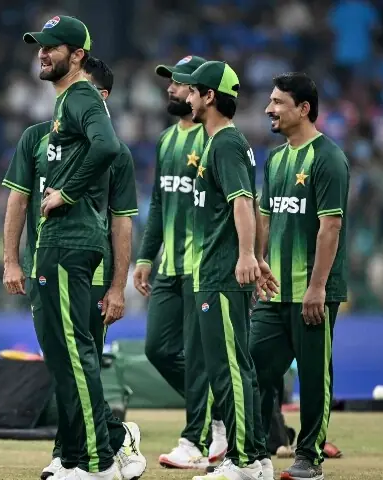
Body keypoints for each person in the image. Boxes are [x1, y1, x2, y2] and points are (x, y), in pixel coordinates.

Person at [2, 56, 145, 480]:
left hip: (91, 271)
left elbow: (122, 222)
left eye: (97, 95)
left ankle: (98, 450)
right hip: (49, 259)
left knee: (78, 362)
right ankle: (78, 450)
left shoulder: (114, 154)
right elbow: (17, 201)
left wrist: (118, 287)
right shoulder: (34, 138)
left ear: (102, 98)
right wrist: (12, 260)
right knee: (63, 363)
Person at [170, 60, 275, 480]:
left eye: (193, 91)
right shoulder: (218, 142)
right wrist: (254, 255)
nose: (187, 98)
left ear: (210, 96)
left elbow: (243, 202)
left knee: (232, 370)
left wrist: (248, 255)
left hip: (221, 274)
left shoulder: (226, 143)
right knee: (226, 370)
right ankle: (257, 457)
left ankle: (246, 462)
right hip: (211, 271)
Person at [249, 72, 350, 480]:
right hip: (274, 292)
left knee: (313, 377)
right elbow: (266, 219)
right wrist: (258, 262)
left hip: (314, 292)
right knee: (251, 368)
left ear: (303, 108)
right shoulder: (276, 158)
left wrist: (317, 287)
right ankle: (251, 451)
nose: (269, 109)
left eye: (277, 102)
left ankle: (309, 457)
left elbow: (331, 228)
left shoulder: (328, 158)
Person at [133, 54, 228, 470]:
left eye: (178, 84)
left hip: (202, 266)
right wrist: (144, 256)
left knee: (199, 354)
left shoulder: (213, 139)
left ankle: (194, 439)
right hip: (170, 266)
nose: (170, 89)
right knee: (158, 349)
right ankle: (223, 408)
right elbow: (158, 203)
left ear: (198, 92)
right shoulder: (167, 139)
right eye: (169, 83)